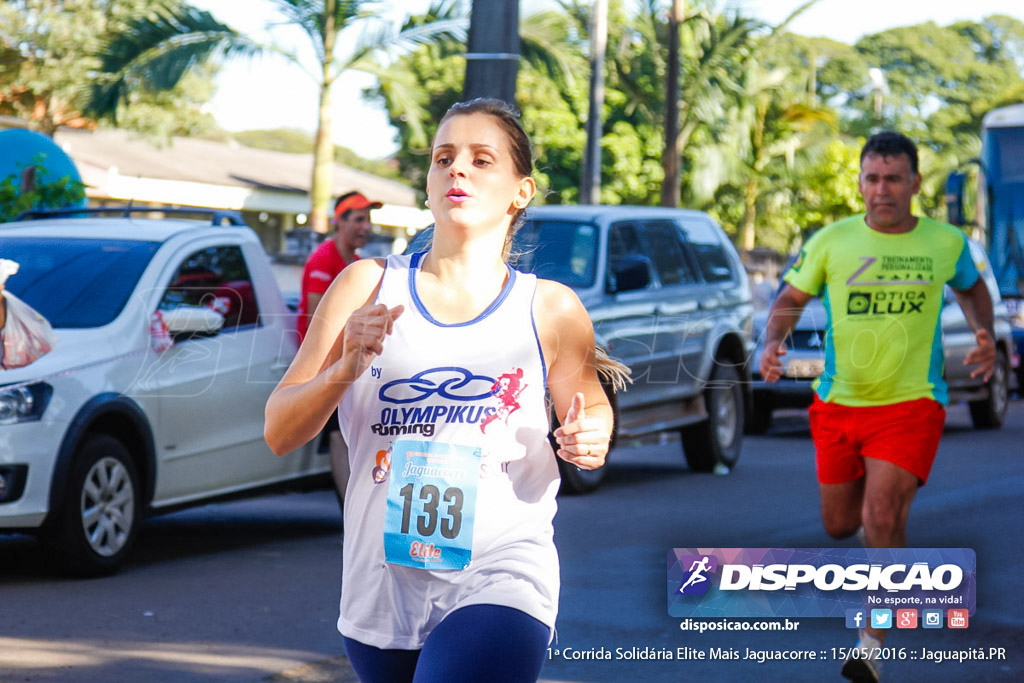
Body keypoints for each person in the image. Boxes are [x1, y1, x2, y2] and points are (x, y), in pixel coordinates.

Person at [265, 98, 624, 683]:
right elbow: (280, 431)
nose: (457, 169)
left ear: (521, 191)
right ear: (429, 184)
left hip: (503, 571)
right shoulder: (366, 286)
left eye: (482, 159)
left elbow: (593, 409)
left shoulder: (550, 307)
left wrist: (593, 434)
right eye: (444, 157)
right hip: (382, 585)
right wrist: (346, 366)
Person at [760, 131, 996, 683]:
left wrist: (985, 331)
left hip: (912, 403)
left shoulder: (945, 242)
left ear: (915, 183)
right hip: (839, 404)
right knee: (842, 524)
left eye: (893, 179)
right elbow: (789, 300)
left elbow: (974, 287)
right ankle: (888, 537)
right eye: (872, 179)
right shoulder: (831, 242)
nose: (881, 189)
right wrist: (771, 343)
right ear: (861, 183)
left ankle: (871, 644)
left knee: (879, 517)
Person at [297, 190, 382, 503]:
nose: (366, 226)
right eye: (359, 219)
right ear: (339, 222)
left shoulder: (359, 264)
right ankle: (351, 510)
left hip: (353, 361)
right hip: (328, 363)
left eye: (368, 219)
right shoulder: (324, 258)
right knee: (338, 435)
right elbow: (318, 323)